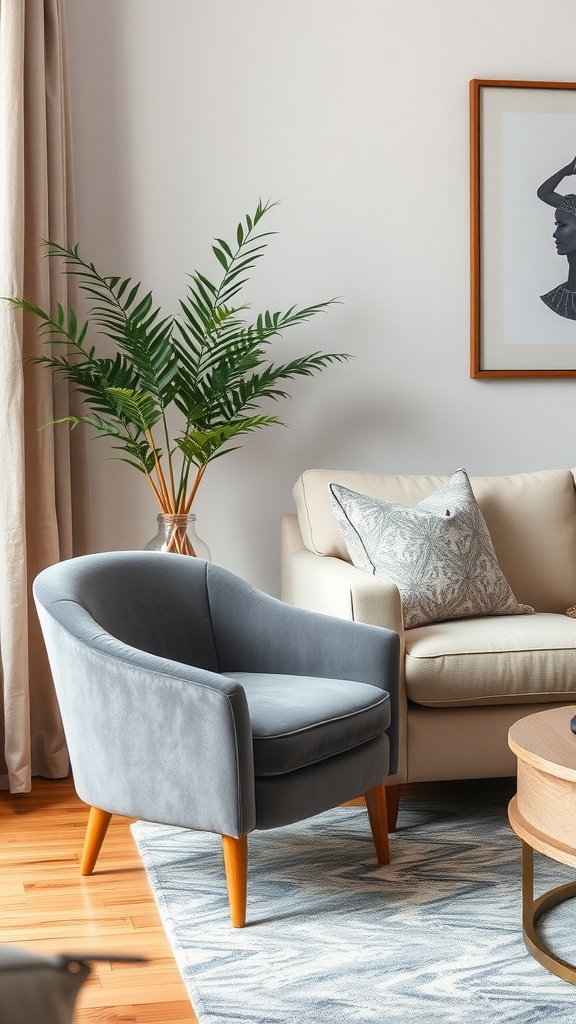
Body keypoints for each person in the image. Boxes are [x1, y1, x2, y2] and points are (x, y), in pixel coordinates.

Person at [537, 156, 576, 320]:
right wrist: (567, 170)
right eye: (557, 224)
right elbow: (543, 193)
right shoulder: (571, 204)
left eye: (562, 225)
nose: (555, 233)